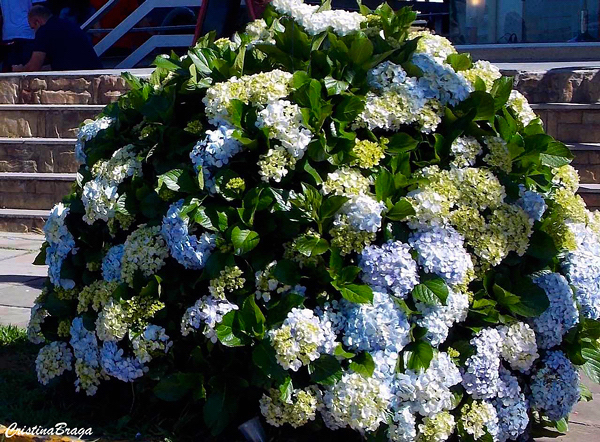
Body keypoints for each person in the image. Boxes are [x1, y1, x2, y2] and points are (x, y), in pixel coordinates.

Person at [13, 5, 102, 72]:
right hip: (93, 69)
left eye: (33, 27)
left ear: (38, 21)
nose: (34, 32)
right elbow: (60, 63)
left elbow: (33, 67)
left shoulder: (44, 30)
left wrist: (20, 69)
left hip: (79, 77)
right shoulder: (66, 24)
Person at [0, 0, 35, 72]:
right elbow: (40, 8)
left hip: (8, 33)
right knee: (30, 73)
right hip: (28, 32)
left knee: (10, 74)